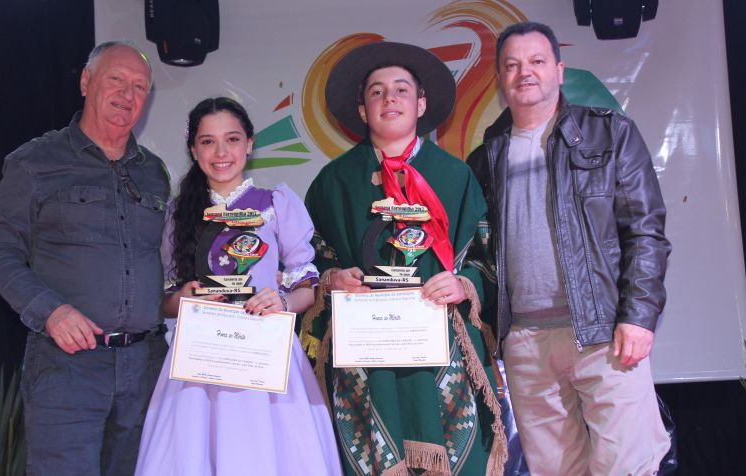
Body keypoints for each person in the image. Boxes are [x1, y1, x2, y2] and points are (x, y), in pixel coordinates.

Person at [466, 21, 671, 475]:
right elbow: (478, 256)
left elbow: (645, 231)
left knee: (629, 466)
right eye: (512, 65)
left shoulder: (610, 133)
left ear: (559, 70)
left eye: (537, 61)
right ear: (500, 79)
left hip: (604, 335)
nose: (525, 72)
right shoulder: (483, 160)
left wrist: (638, 317)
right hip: (525, 345)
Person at [303, 42, 507, 475]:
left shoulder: (456, 176)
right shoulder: (332, 182)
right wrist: (332, 278)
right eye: (376, 92)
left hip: (443, 349)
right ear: (363, 110)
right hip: (363, 353)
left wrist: (463, 284)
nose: (389, 99)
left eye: (401, 90)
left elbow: (489, 258)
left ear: (421, 104)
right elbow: (308, 261)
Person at [0, 41, 170, 475]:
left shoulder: (154, 173)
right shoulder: (35, 162)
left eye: (139, 87)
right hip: (67, 368)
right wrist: (51, 311)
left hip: (145, 367)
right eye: (116, 80)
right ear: (86, 82)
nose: (127, 95)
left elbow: (166, 260)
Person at [134, 97, 342, 475]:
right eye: (208, 141)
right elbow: (164, 300)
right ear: (193, 150)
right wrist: (184, 298)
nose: (221, 152)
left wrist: (281, 302)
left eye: (231, 139)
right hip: (199, 362)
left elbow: (306, 286)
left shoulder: (276, 204)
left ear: (249, 143)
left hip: (266, 355)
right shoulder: (178, 213)